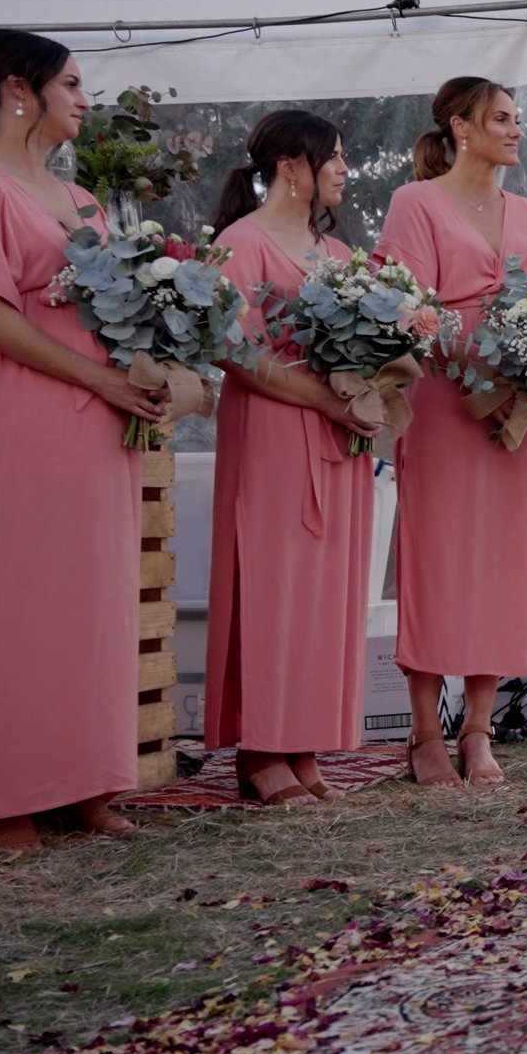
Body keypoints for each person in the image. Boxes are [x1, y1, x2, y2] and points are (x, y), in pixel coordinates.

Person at [0, 29, 166, 851]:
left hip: (94, 422)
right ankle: (2, 794)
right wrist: (98, 378)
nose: (87, 101)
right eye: (75, 85)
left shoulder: (84, 200)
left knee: (87, 599)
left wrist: (152, 359)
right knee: (10, 602)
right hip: (5, 414)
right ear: (22, 89)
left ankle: (85, 781)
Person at [375, 77, 527, 789]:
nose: (517, 131)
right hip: (446, 404)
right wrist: (472, 359)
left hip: (523, 413)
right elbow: (407, 306)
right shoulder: (414, 204)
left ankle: (479, 733)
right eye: (502, 119)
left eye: (518, 120)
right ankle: (426, 735)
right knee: (440, 561)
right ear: (462, 126)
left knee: (504, 566)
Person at [203, 111, 381, 805]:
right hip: (274, 431)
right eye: (332, 157)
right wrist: (323, 398)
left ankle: (303, 740)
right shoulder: (241, 244)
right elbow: (234, 350)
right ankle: (259, 749)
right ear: (290, 166)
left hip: (337, 441)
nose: (343, 170)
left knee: (324, 593)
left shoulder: (339, 259)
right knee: (273, 586)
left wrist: (366, 392)